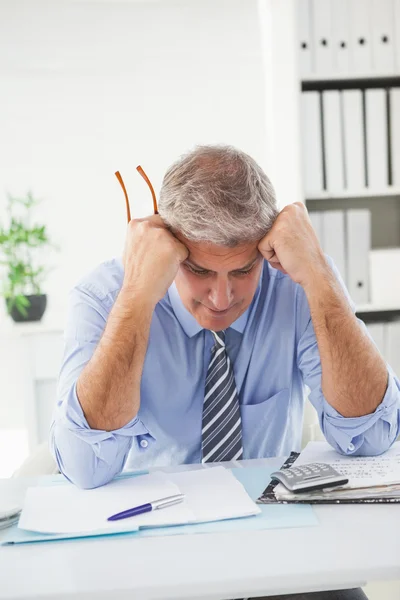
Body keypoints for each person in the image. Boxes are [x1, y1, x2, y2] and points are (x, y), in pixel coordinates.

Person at [51, 145, 399, 600]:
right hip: (151, 553)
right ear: (167, 246)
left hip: (280, 544)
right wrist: (137, 297)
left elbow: (372, 436)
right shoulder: (103, 298)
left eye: (242, 270)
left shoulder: (297, 284)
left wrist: (319, 278)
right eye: (198, 270)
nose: (221, 298)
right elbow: (84, 466)